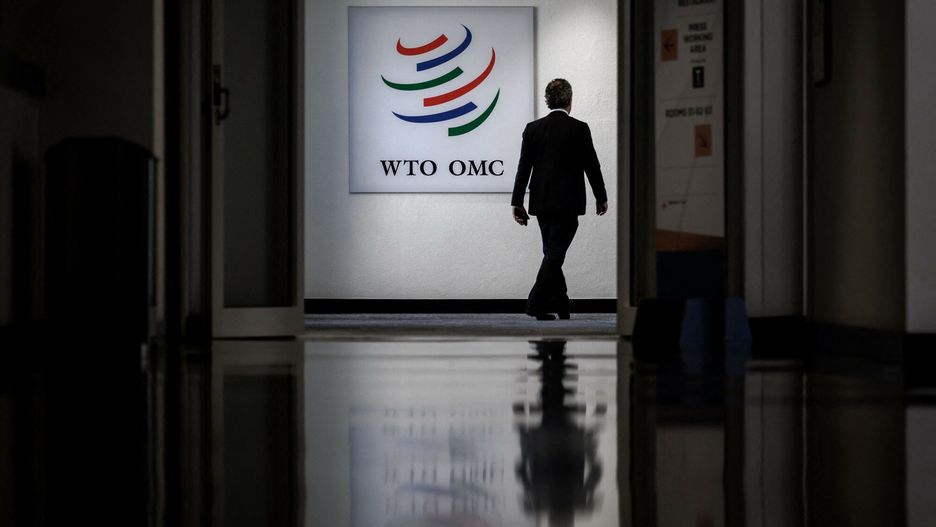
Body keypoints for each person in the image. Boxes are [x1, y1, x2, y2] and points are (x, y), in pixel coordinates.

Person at [511, 78, 609, 320]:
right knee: (555, 255)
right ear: (570, 101)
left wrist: (517, 201)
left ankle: (562, 303)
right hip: (568, 203)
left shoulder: (533, 129)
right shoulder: (579, 128)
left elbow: (524, 168)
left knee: (551, 253)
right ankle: (534, 304)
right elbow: (592, 166)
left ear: (547, 101)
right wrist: (601, 196)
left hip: (542, 203)